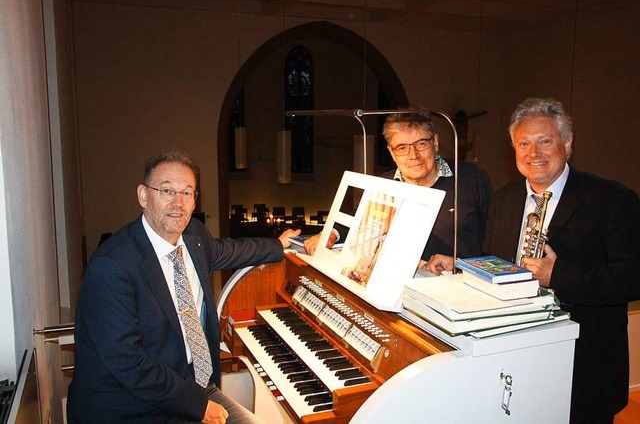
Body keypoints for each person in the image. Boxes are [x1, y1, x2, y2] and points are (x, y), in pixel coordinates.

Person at [428, 98, 640, 424]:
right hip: (515, 356)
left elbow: (631, 278)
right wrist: (461, 265)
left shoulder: (614, 199)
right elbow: (498, 263)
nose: (533, 153)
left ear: (567, 144)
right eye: (523, 143)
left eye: (545, 141)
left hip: (583, 367)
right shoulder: (506, 199)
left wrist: (559, 276)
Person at [67, 152, 300, 423]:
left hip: (192, 384)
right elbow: (127, 363)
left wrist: (281, 245)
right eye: (166, 190)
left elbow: (230, 250)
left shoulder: (194, 236)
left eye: (186, 193)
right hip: (130, 407)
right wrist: (198, 405)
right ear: (143, 196)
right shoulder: (112, 265)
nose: (178, 203)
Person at [304, 110, 493, 265]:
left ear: (435, 142)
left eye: (421, 143)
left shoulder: (472, 179)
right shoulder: (384, 184)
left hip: (458, 292)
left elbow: (495, 246)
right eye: (402, 147)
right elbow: (360, 218)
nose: (413, 155)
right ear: (391, 153)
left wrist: (459, 266)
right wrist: (331, 233)